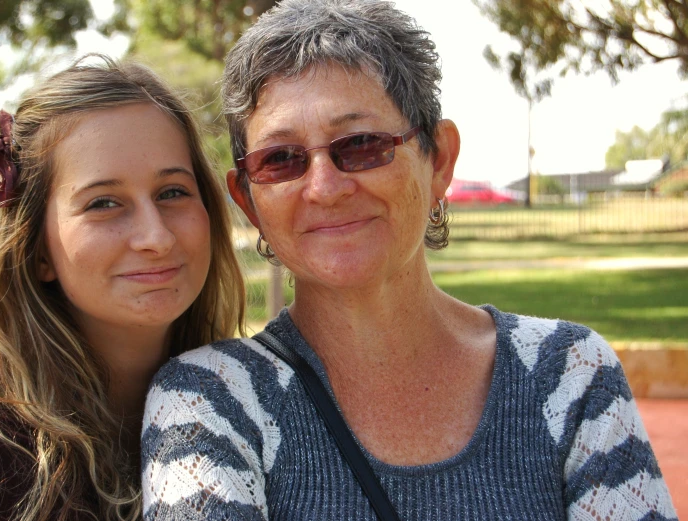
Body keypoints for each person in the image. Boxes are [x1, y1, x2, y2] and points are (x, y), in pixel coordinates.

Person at [141, 1, 678, 520]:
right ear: (248, 200)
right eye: (281, 160)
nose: (324, 187)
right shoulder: (210, 402)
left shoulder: (570, 373)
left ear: (439, 159)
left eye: (361, 144)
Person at [0, 56, 245, 521]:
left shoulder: (247, 405)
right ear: (37, 249)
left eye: (172, 192)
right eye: (103, 203)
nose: (156, 237)